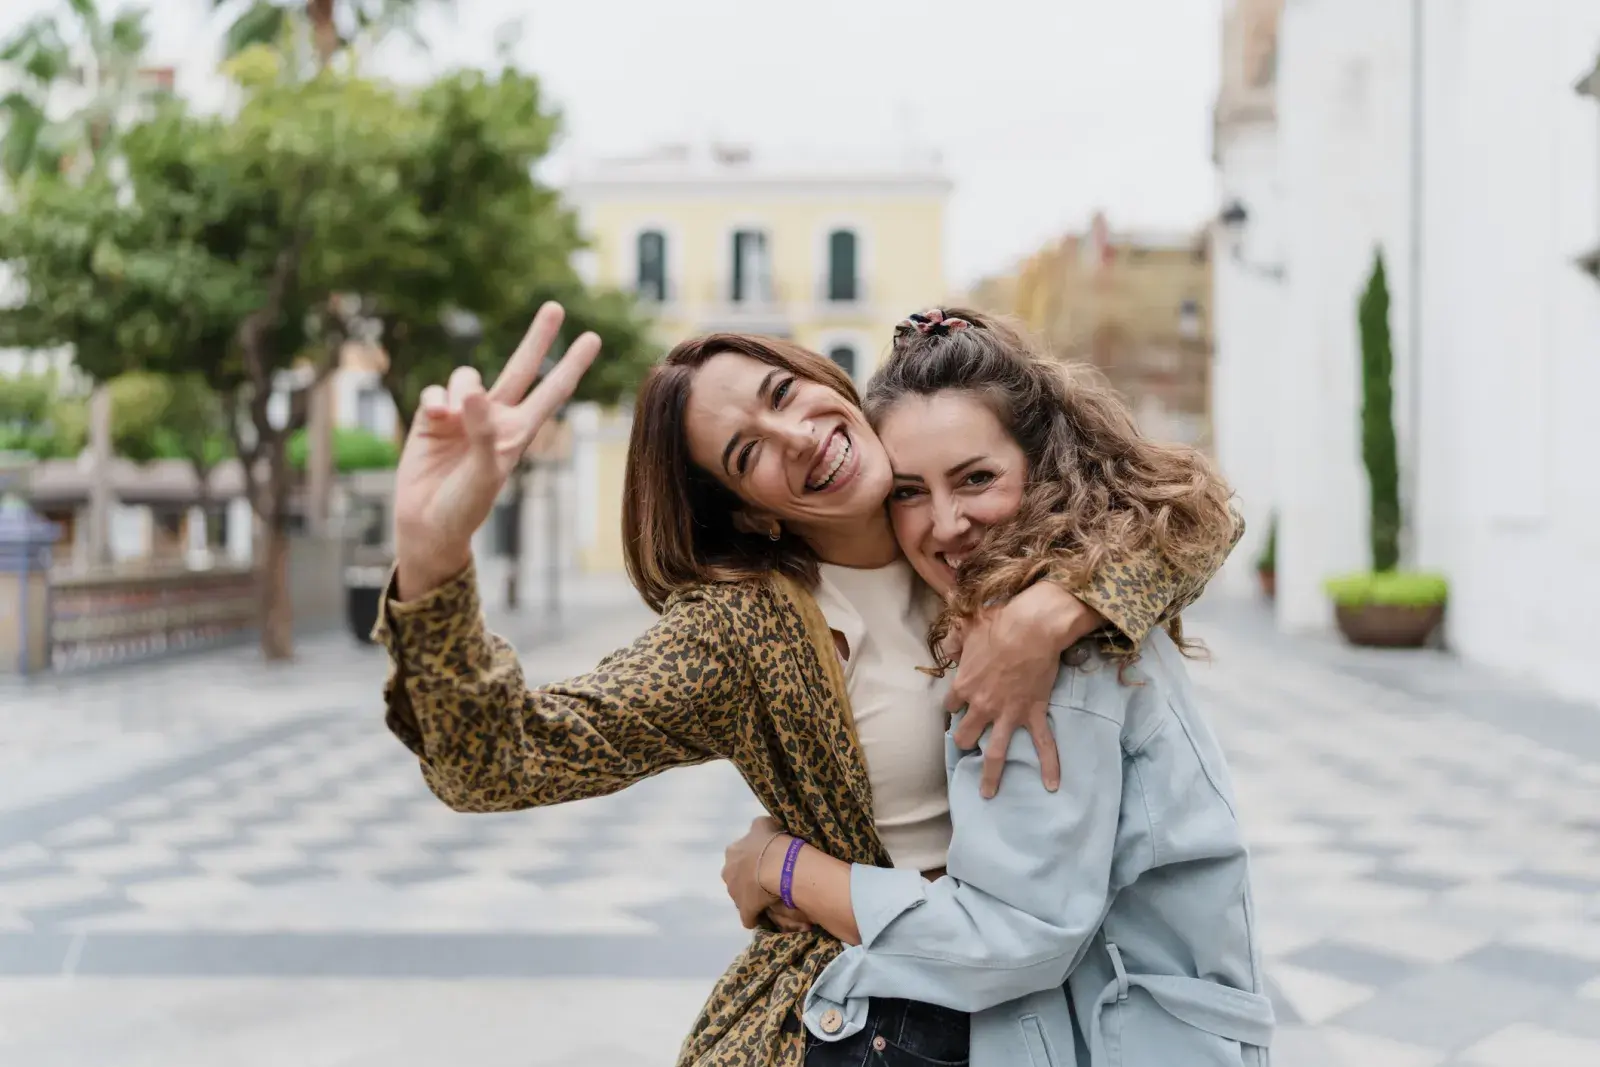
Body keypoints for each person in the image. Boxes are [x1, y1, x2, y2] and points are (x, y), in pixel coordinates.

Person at [378, 301, 1244, 1067]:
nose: (795, 436)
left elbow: (1186, 512)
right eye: (748, 450)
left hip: (1048, 1007)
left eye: (783, 394)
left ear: (822, 379)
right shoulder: (740, 631)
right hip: (874, 1015)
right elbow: (504, 760)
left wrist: (1048, 614)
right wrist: (434, 558)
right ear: (748, 507)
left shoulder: (995, 517)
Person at [720, 309, 1270, 1066]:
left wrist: (782, 867)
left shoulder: (1050, 659)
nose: (946, 523)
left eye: (977, 478)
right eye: (909, 491)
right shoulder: (1049, 596)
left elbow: (1009, 938)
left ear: (1043, 465)